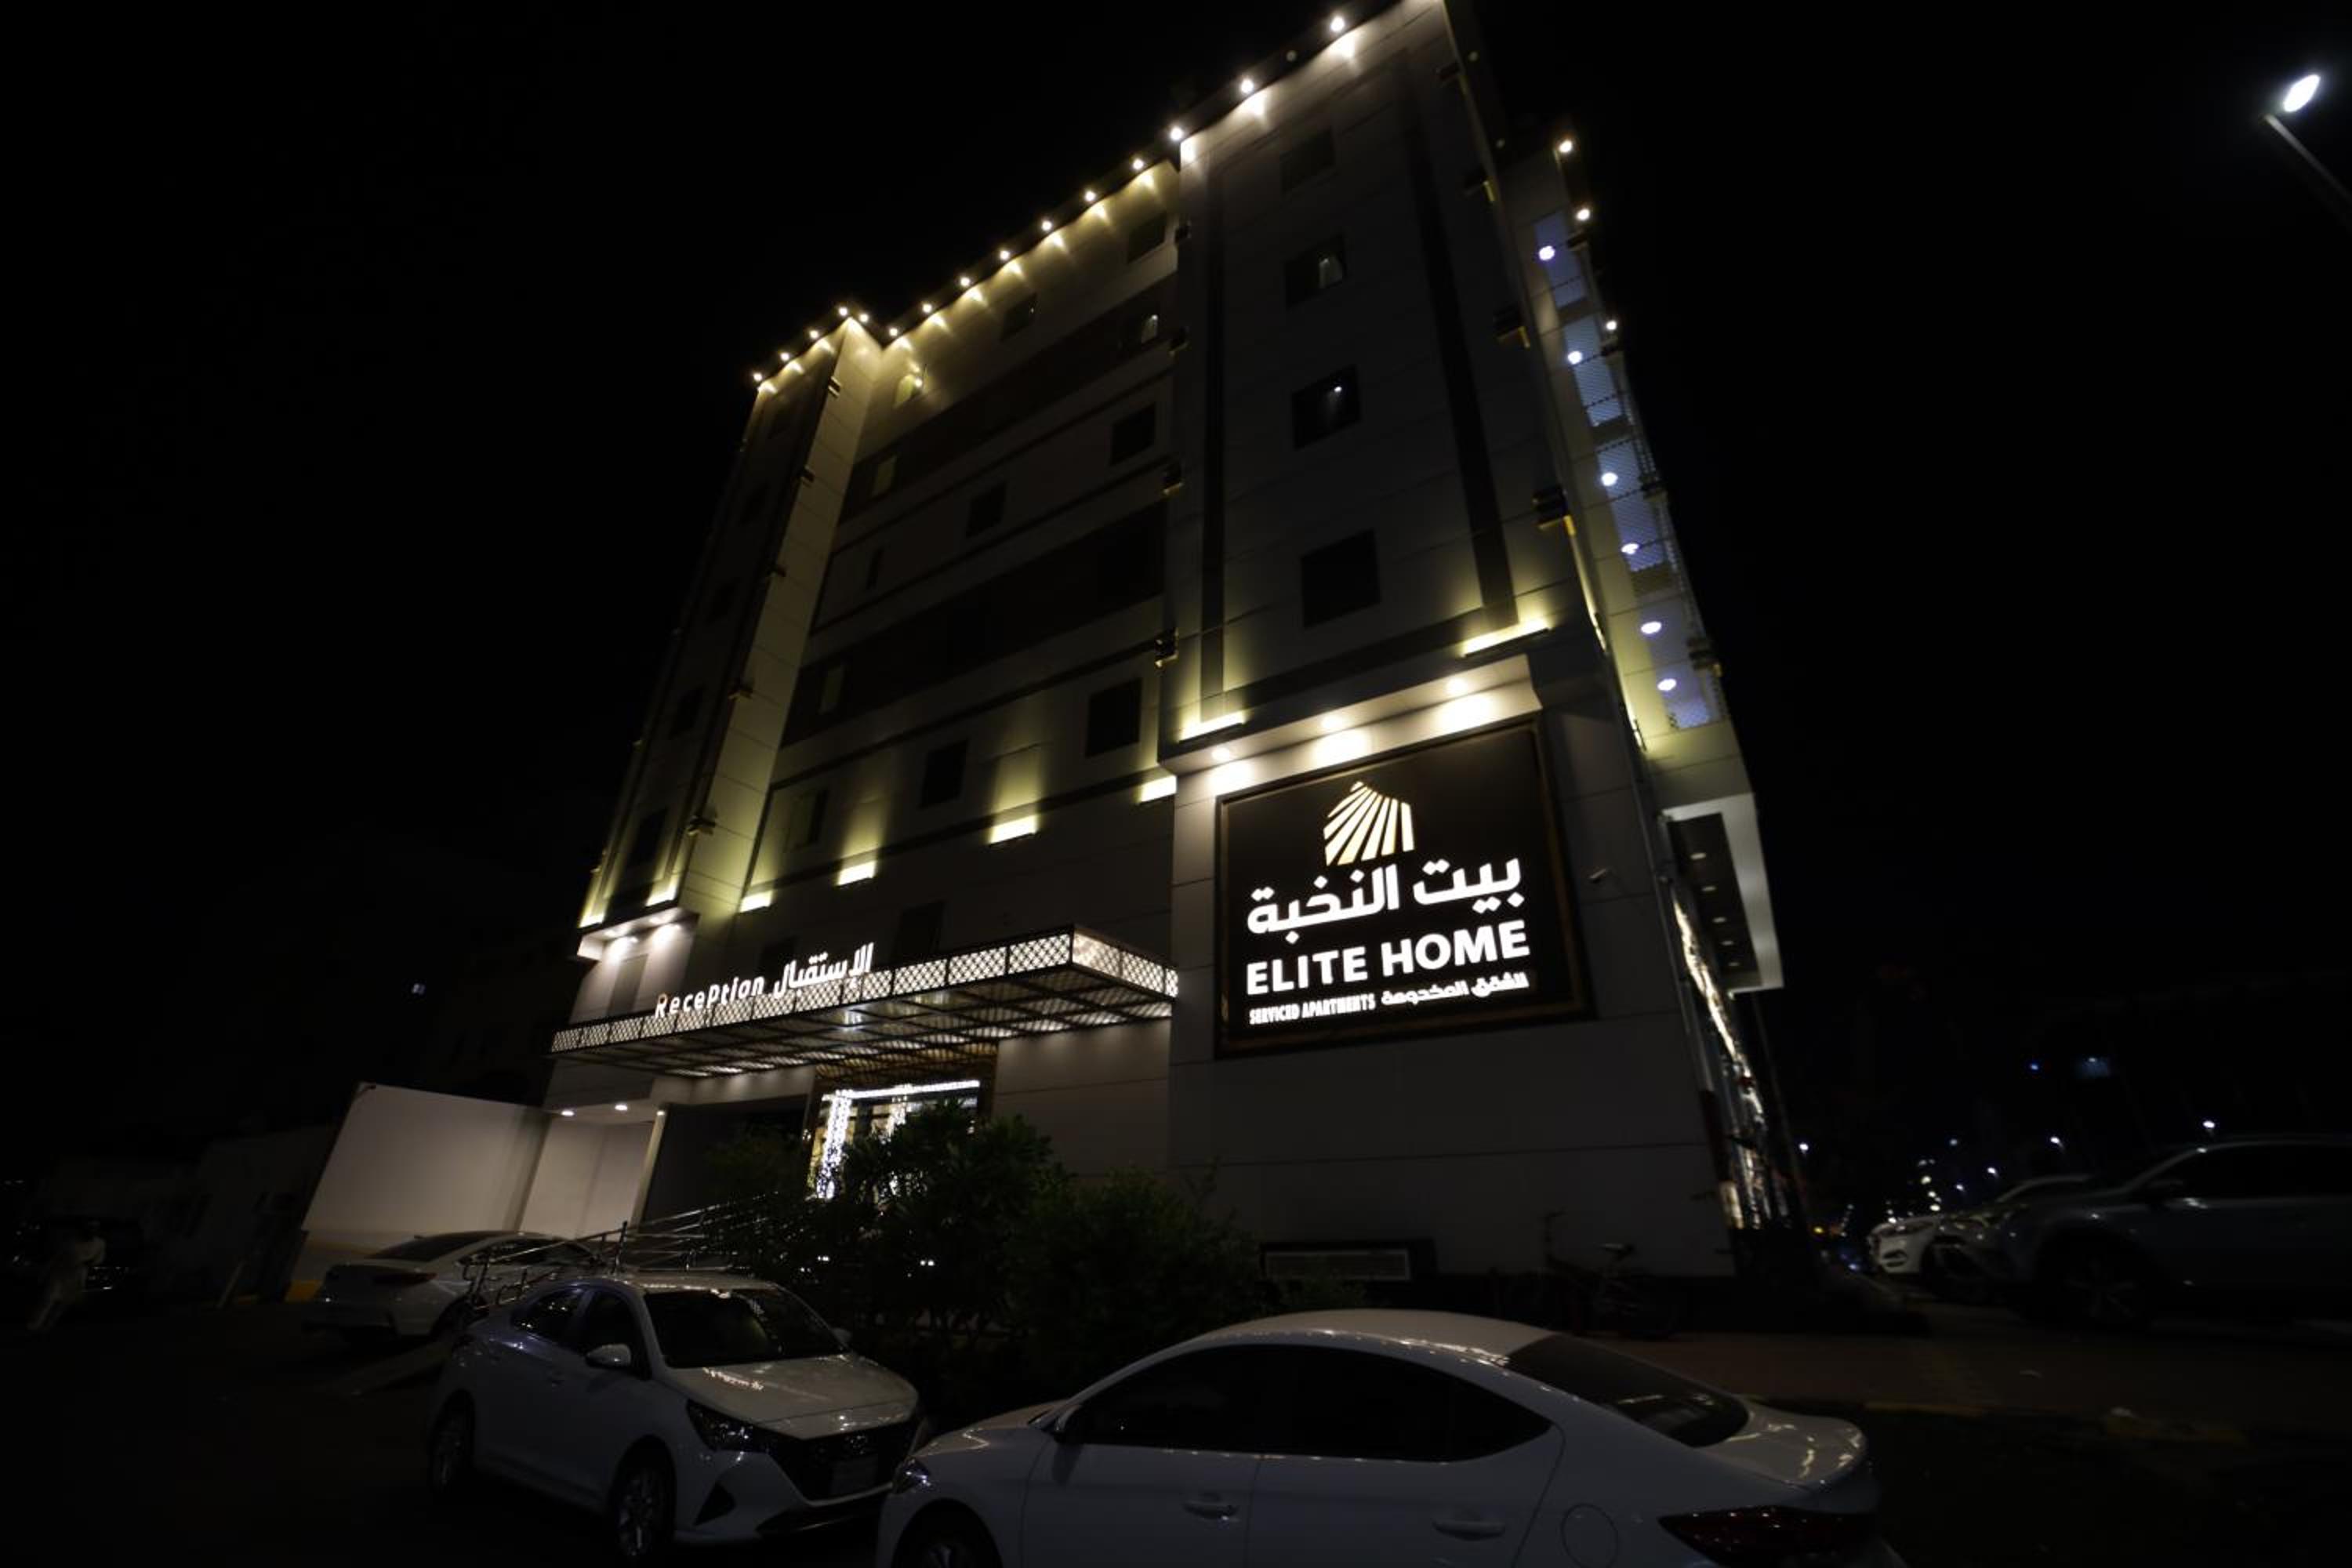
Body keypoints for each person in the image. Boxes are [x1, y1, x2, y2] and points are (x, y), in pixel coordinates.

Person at [25, 1220, 106, 1333]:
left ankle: (47, 1327)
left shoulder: (100, 1243)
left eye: (94, 1229)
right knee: (47, 1299)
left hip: (78, 1275)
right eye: (89, 1228)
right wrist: (45, 1273)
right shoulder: (71, 1240)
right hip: (61, 1272)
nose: (91, 1231)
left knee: (63, 1303)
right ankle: (34, 1325)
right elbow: (56, 1257)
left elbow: (98, 1259)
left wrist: (89, 1263)